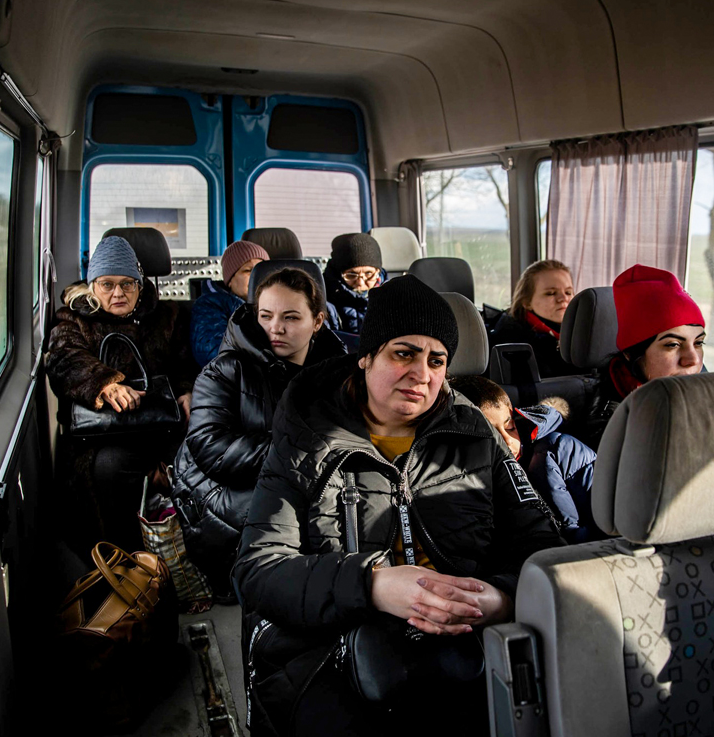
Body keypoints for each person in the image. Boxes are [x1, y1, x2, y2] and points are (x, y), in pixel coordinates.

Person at [234, 274, 564, 737]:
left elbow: (542, 544)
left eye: (437, 360)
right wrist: (372, 585)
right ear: (366, 357)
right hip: (331, 645)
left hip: (464, 642)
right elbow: (258, 570)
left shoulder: (472, 430)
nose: (422, 374)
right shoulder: (308, 433)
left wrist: (502, 597)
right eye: (403, 353)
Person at [172, 268, 345, 598]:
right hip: (225, 497)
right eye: (266, 316)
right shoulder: (225, 370)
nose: (275, 328)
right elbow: (211, 447)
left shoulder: (338, 375)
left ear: (318, 322)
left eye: (291, 318)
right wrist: (301, 451)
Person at [46, 235, 198, 552]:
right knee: (107, 470)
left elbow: (185, 363)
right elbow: (63, 358)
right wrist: (104, 383)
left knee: (196, 461)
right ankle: (128, 566)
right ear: (92, 286)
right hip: (103, 434)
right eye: (107, 284)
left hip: (162, 423)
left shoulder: (167, 316)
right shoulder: (73, 318)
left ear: (140, 285)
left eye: (128, 284)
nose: (118, 293)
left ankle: (190, 559)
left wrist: (186, 390)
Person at [449, 375, 603, 544]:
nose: (508, 440)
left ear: (512, 413)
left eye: (510, 426)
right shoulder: (465, 483)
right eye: (491, 435)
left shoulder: (559, 450)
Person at [585, 264, 706, 449]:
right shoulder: (611, 428)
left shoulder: (713, 395)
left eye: (698, 343)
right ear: (631, 353)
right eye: (672, 344)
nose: (693, 360)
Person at [488, 259, 585, 379]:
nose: (563, 298)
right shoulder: (513, 343)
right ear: (527, 302)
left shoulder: (583, 332)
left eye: (568, 292)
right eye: (551, 293)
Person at [190, 240, 270, 367]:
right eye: (248, 270)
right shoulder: (211, 304)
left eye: (260, 270)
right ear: (230, 280)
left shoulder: (277, 306)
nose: (256, 276)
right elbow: (212, 354)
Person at [321, 232, 386, 336]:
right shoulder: (325, 303)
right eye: (351, 275)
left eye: (369, 274)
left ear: (378, 272)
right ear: (338, 274)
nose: (360, 282)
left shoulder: (393, 298)